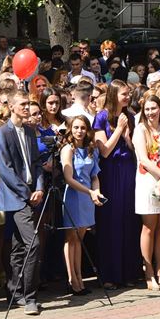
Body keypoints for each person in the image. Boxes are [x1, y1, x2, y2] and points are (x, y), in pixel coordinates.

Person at [0, 90, 46, 316]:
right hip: (17, 197)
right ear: (12, 107)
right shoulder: (2, 133)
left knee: (18, 246)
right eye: (23, 104)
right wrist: (27, 193)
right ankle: (30, 296)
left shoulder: (30, 132)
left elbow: (37, 163)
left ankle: (15, 291)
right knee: (33, 243)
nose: (27, 108)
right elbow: (5, 169)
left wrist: (40, 187)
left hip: (32, 193)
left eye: (28, 104)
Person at [93, 81, 139, 290]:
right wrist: (119, 129)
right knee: (111, 222)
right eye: (124, 94)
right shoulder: (102, 117)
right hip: (111, 171)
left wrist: (128, 136)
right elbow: (105, 151)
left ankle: (128, 271)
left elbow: (133, 148)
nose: (127, 97)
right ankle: (110, 274)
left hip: (128, 169)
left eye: (128, 94)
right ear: (113, 95)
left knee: (128, 220)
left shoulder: (129, 116)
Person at [132, 93, 160, 291]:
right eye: (147, 109)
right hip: (148, 180)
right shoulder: (140, 130)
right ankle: (148, 271)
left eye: (154, 108)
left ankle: (159, 271)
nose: (150, 112)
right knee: (149, 227)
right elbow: (143, 159)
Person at [60, 115, 102, 294]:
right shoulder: (68, 149)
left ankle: (80, 277)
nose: (79, 131)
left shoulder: (91, 149)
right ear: (71, 129)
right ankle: (72, 279)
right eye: (76, 127)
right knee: (71, 238)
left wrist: (96, 191)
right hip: (74, 196)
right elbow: (68, 178)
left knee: (80, 239)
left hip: (88, 198)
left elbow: (94, 175)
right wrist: (89, 191)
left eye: (83, 128)